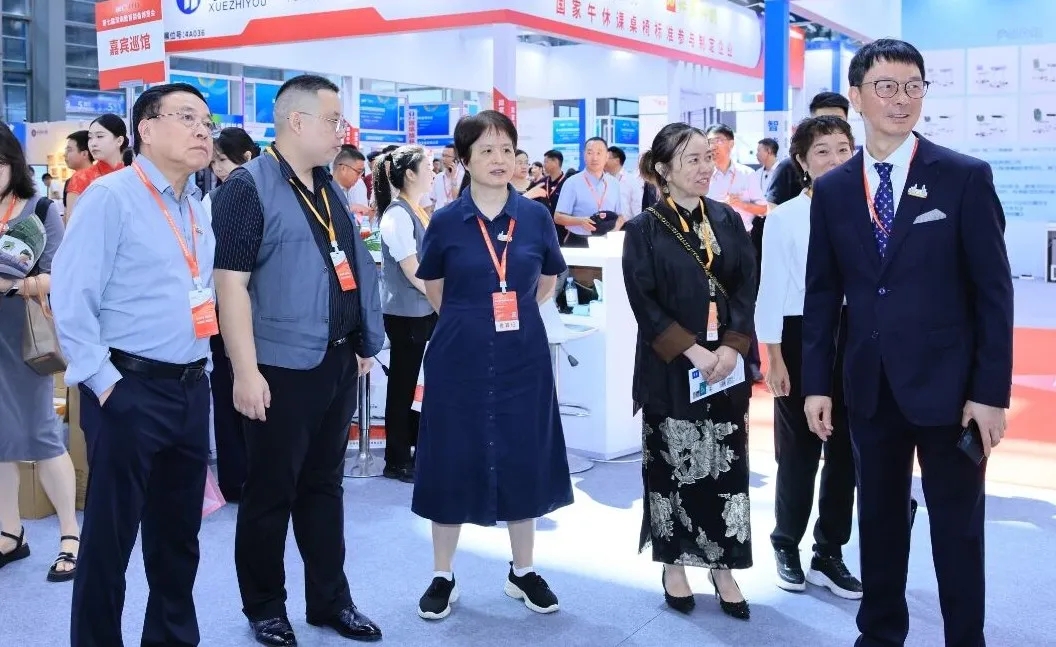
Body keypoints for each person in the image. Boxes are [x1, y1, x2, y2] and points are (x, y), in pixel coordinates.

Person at [803, 39, 1013, 647]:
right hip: (870, 386)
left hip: (952, 391)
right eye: (887, 87)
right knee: (879, 521)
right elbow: (823, 294)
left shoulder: (963, 177)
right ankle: (880, 634)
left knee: (957, 528)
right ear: (856, 97)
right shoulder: (835, 189)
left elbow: (994, 294)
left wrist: (989, 394)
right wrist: (817, 383)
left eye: (913, 86)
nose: (902, 99)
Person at [211, 74, 384, 646]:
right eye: (333, 120)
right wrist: (245, 371)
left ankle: (330, 600)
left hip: (335, 360)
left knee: (324, 486)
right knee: (270, 492)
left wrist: (359, 341)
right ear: (296, 121)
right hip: (279, 367)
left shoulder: (328, 186)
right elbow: (230, 286)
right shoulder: (247, 187)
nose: (341, 131)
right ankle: (265, 606)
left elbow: (345, 264)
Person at [51, 82, 217, 647]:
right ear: (145, 128)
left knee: (178, 538)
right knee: (110, 539)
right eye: (187, 117)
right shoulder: (111, 197)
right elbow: (72, 297)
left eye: (207, 122)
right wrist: (105, 384)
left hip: (190, 386)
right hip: (128, 388)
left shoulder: (197, 207)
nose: (202, 130)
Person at [412, 110, 573, 622]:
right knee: (450, 454)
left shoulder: (536, 217)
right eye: (485, 150)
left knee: (523, 453)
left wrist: (511, 310)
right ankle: (443, 574)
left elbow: (546, 282)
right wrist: (472, 318)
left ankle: (522, 571)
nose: (499, 159)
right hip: (458, 353)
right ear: (464, 160)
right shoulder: (445, 220)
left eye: (506, 149)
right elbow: (434, 288)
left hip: (522, 354)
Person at [622, 122, 756, 621]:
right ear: (664, 168)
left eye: (708, 157)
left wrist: (733, 347)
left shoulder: (727, 218)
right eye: (692, 159)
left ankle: (724, 565)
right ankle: (673, 563)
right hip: (672, 367)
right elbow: (644, 301)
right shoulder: (644, 228)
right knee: (670, 469)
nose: (705, 168)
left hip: (725, 367)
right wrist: (695, 351)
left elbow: (745, 286)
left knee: (727, 467)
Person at [755, 116, 861, 599]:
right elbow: (771, 291)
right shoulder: (785, 217)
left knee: (846, 453)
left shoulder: (868, 210)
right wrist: (774, 356)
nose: (835, 160)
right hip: (799, 338)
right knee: (799, 450)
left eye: (843, 149)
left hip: (856, 337)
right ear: (801, 161)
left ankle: (829, 552)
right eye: (822, 151)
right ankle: (786, 543)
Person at [0, 121, 78, 582]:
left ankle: (70, 535)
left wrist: (14, 285)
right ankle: (10, 532)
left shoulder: (41, 209)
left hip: (23, 337)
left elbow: (62, 275)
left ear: (13, 163)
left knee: (41, 434)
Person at [373, 145, 437, 483]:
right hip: (407, 314)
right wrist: (442, 299)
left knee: (416, 385)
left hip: (424, 310)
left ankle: (414, 448)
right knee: (402, 386)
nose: (433, 172)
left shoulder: (417, 210)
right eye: (428, 167)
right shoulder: (397, 215)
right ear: (410, 174)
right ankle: (396, 459)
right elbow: (413, 271)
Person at [766, 92, 851, 208]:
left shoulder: (859, 165)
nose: (831, 128)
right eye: (822, 122)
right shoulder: (787, 168)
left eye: (838, 121)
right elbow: (773, 208)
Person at [554, 136, 623, 247]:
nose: (594, 158)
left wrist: (613, 232)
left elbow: (621, 216)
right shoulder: (572, 182)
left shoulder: (614, 183)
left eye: (599, 153)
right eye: (590, 153)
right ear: (584, 155)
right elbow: (558, 217)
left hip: (607, 243)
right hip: (579, 242)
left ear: (606, 156)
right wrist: (580, 221)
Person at [64, 113, 128, 222]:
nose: (93, 143)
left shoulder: (133, 177)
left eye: (100, 136)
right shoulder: (81, 178)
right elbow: (72, 224)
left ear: (119, 141)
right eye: (90, 137)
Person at [62, 130, 93, 208]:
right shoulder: (103, 178)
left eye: (69, 150)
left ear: (84, 154)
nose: (65, 154)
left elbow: (70, 214)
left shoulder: (100, 181)